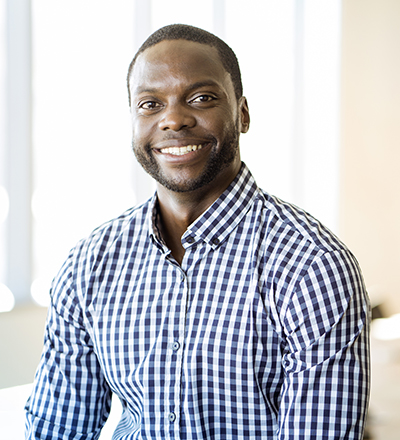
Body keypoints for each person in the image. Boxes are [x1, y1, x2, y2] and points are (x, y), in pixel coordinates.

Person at [25, 24, 370, 439]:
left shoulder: (313, 267)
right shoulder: (90, 263)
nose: (173, 119)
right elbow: (57, 428)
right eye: (150, 104)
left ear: (242, 114)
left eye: (201, 98)